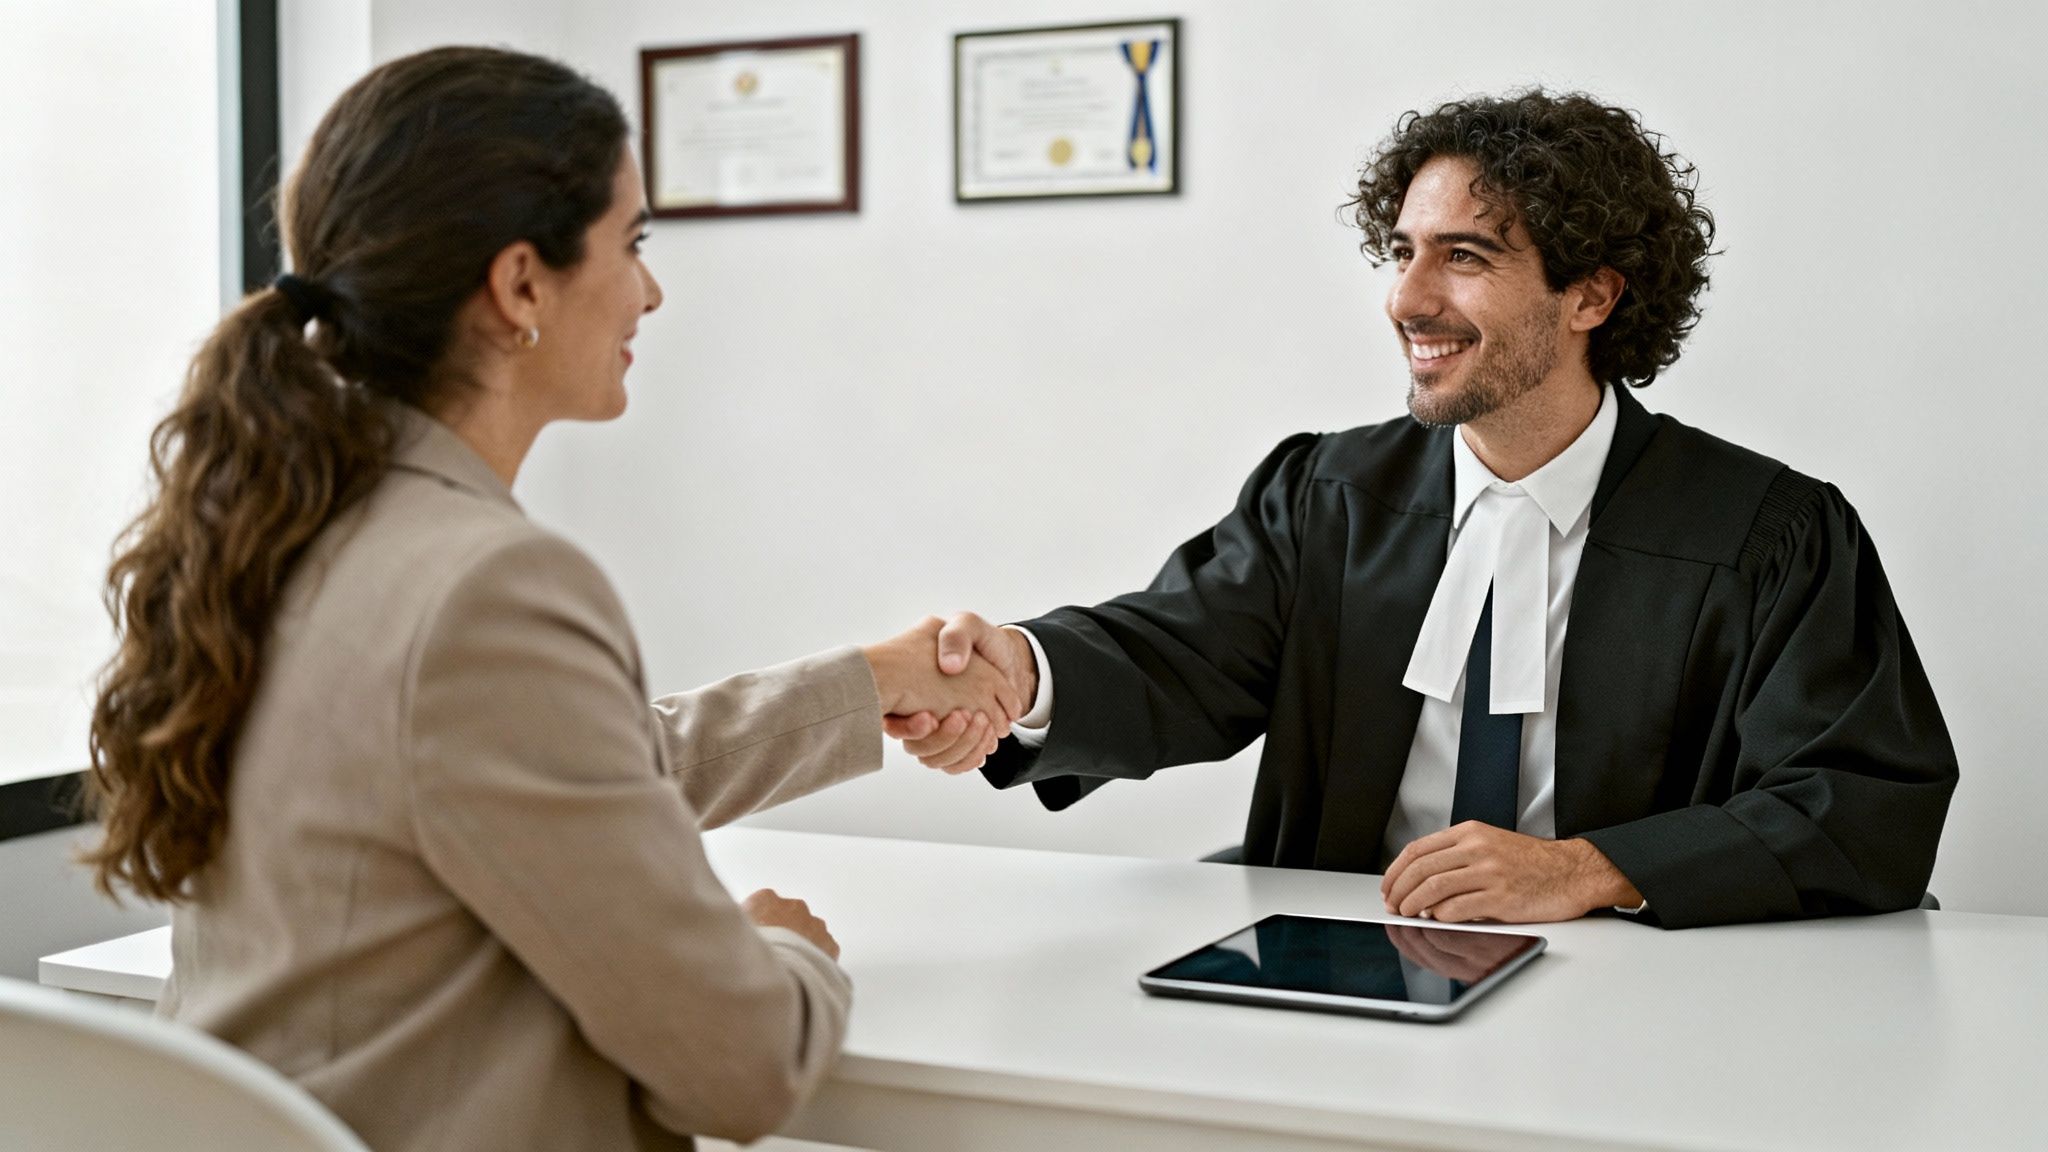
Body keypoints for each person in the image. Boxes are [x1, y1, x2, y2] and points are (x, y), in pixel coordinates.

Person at [83, 47, 1015, 1152]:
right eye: (632, 245)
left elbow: (542, 780)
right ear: (521, 284)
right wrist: (781, 948)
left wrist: (861, 685)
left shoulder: (287, 526)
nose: (651, 291)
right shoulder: (489, 586)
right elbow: (745, 1068)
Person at [890, 89, 1958, 930]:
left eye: (1464, 256)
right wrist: (1020, 674)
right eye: (1402, 251)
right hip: (1349, 958)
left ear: (1591, 295)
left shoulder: (1766, 534)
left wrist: (1587, 871)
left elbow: (1863, 798)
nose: (1406, 298)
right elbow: (1176, 655)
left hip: (1638, 980)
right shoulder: (1325, 497)